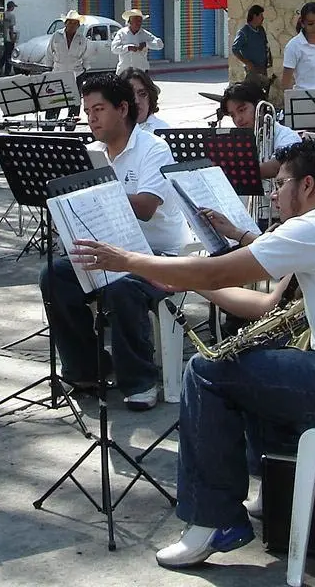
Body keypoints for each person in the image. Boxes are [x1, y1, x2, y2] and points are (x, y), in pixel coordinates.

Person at [70, 139, 315, 568]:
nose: (272, 195)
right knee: (252, 359)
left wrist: (128, 259)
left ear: (307, 185)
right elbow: (263, 305)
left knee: (205, 371)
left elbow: (219, 269)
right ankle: (268, 484)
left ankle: (212, 520)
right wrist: (186, 282)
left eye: (280, 184)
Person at [38, 73, 192, 411]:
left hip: (159, 255)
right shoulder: (92, 152)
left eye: (99, 109)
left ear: (123, 109)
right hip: (109, 249)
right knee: (55, 276)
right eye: (87, 110)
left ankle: (140, 379)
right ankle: (88, 368)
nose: (91, 118)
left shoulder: (154, 148)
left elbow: (147, 208)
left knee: (122, 287)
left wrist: (98, 193)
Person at [220, 80, 301, 180]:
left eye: (242, 110)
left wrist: (236, 173)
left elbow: (278, 166)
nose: (238, 119)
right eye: (232, 115)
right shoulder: (237, 141)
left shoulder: (287, 136)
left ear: (261, 108)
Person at [43, 10, 89, 128]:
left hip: (76, 74)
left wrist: (84, 70)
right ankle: (48, 129)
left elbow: (86, 56)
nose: (72, 25)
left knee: (74, 103)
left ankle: (69, 129)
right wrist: (48, 70)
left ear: (78, 25)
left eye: (75, 23)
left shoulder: (81, 39)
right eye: (70, 22)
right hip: (58, 72)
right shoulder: (56, 35)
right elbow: (49, 53)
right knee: (54, 102)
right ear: (65, 23)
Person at [111, 8, 164, 74]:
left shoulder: (145, 34)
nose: (138, 23)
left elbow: (160, 45)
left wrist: (146, 44)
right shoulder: (121, 33)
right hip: (124, 70)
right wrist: (128, 48)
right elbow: (114, 48)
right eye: (136, 21)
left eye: (140, 21)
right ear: (129, 22)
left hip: (141, 71)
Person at [231, 5, 272, 87]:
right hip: (252, 69)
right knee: (253, 92)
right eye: (261, 15)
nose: (263, 18)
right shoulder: (244, 32)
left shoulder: (261, 30)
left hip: (263, 67)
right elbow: (235, 49)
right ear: (254, 16)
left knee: (263, 92)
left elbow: (265, 45)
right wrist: (247, 62)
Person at [122, 66, 170, 133]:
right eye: (130, 95)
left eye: (142, 94)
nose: (136, 101)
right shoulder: (110, 131)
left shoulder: (163, 130)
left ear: (150, 98)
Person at [0, 0, 19, 75]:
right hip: (9, 37)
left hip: (4, 36)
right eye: (13, 7)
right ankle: (6, 70)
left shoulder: (3, 14)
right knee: (9, 54)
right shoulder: (12, 15)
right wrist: (12, 37)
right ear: (11, 7)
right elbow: (11, 27)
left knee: (6, 52)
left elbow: (0, 24)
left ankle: (0, 64)